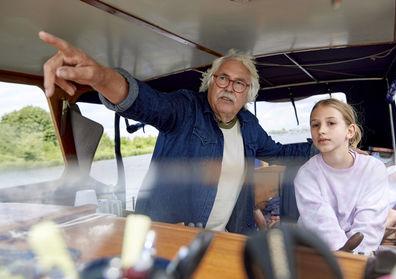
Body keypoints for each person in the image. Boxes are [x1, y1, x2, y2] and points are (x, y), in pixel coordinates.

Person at [39, 31, 316, 235]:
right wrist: (101, 78)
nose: (230, 87)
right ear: (211, 83)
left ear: (248, 94)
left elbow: (282, 151)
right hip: (170, 234)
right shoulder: (185, 109)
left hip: (225, 237)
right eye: (223, 78)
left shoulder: (249, 125)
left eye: (240, 83)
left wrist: (330, 144)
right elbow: (146, 103)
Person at [294, 98, 389, 254]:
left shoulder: (373, 169)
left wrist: (356, 255)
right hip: (316, 250)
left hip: (359, 252)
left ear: (349, 131)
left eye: (331, 123)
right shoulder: (306, 174)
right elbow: (320, 221)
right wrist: (342, 252)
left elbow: (370, 221)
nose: (321, 130)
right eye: (315, 125)